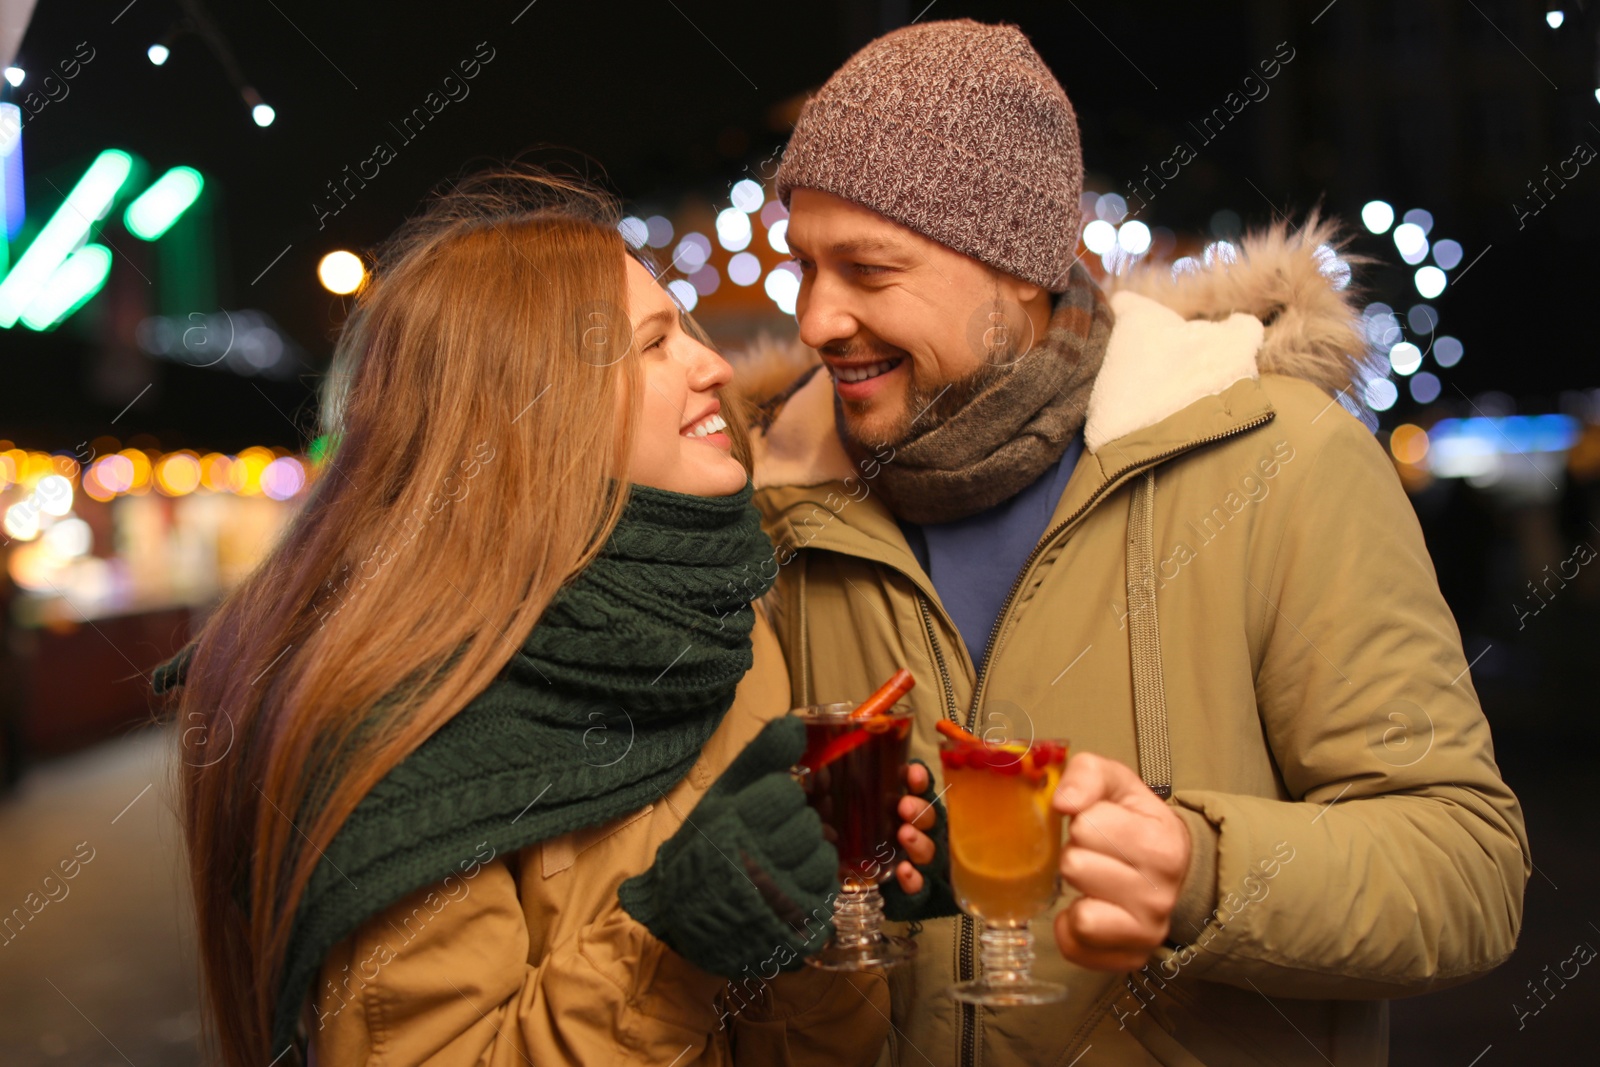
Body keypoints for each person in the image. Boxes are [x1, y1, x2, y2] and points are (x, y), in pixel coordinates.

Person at [746, 19, 1529, 1066]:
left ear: (1018, 265)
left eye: (868, 270)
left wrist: (1201, 868)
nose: (816, 319)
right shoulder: (776, 504)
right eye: (803, 264)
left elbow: (1463, 867)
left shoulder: (1277, 460)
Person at [160, 168, 889, 1067]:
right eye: (654, 344)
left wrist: (831, 908)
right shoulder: (408, 721)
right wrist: (676, 944)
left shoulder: (723, 619)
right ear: (532, 411)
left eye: (687, 330)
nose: (716, 364)